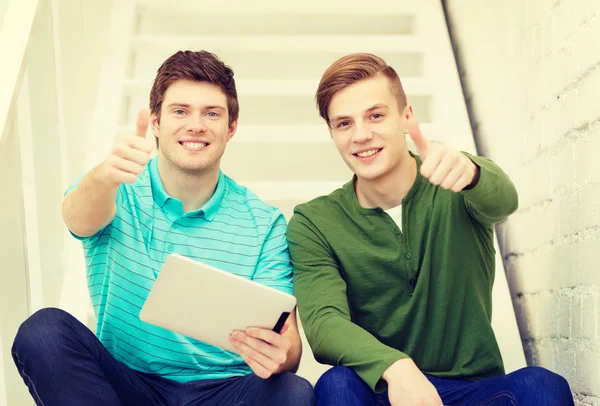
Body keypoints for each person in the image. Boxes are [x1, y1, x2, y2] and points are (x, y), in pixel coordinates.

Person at [12, 50, 315, 406]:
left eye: (212, 114)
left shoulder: (264, 223)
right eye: (180, 111)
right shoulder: (114, 186)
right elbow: (77, 218)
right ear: (156, 122)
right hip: (129, 384)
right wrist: (103, 176)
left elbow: (289, 344)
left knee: (293, 392)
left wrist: (283, 353)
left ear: (231, 128)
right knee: (43, 332)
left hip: (224, 390)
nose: (196, 125)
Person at [286, 53, 573, 406]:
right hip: (383, 391)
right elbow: (324, 324)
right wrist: (396, 367)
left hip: (474, 390)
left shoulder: (456, 180)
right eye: (343, 123)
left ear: (406, 116)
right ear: (332, 132)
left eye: (375, 115)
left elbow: (503, 201)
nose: (361, 135)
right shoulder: (314, 221)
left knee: (542, 386)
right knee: (337, 384)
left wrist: (473, 173)